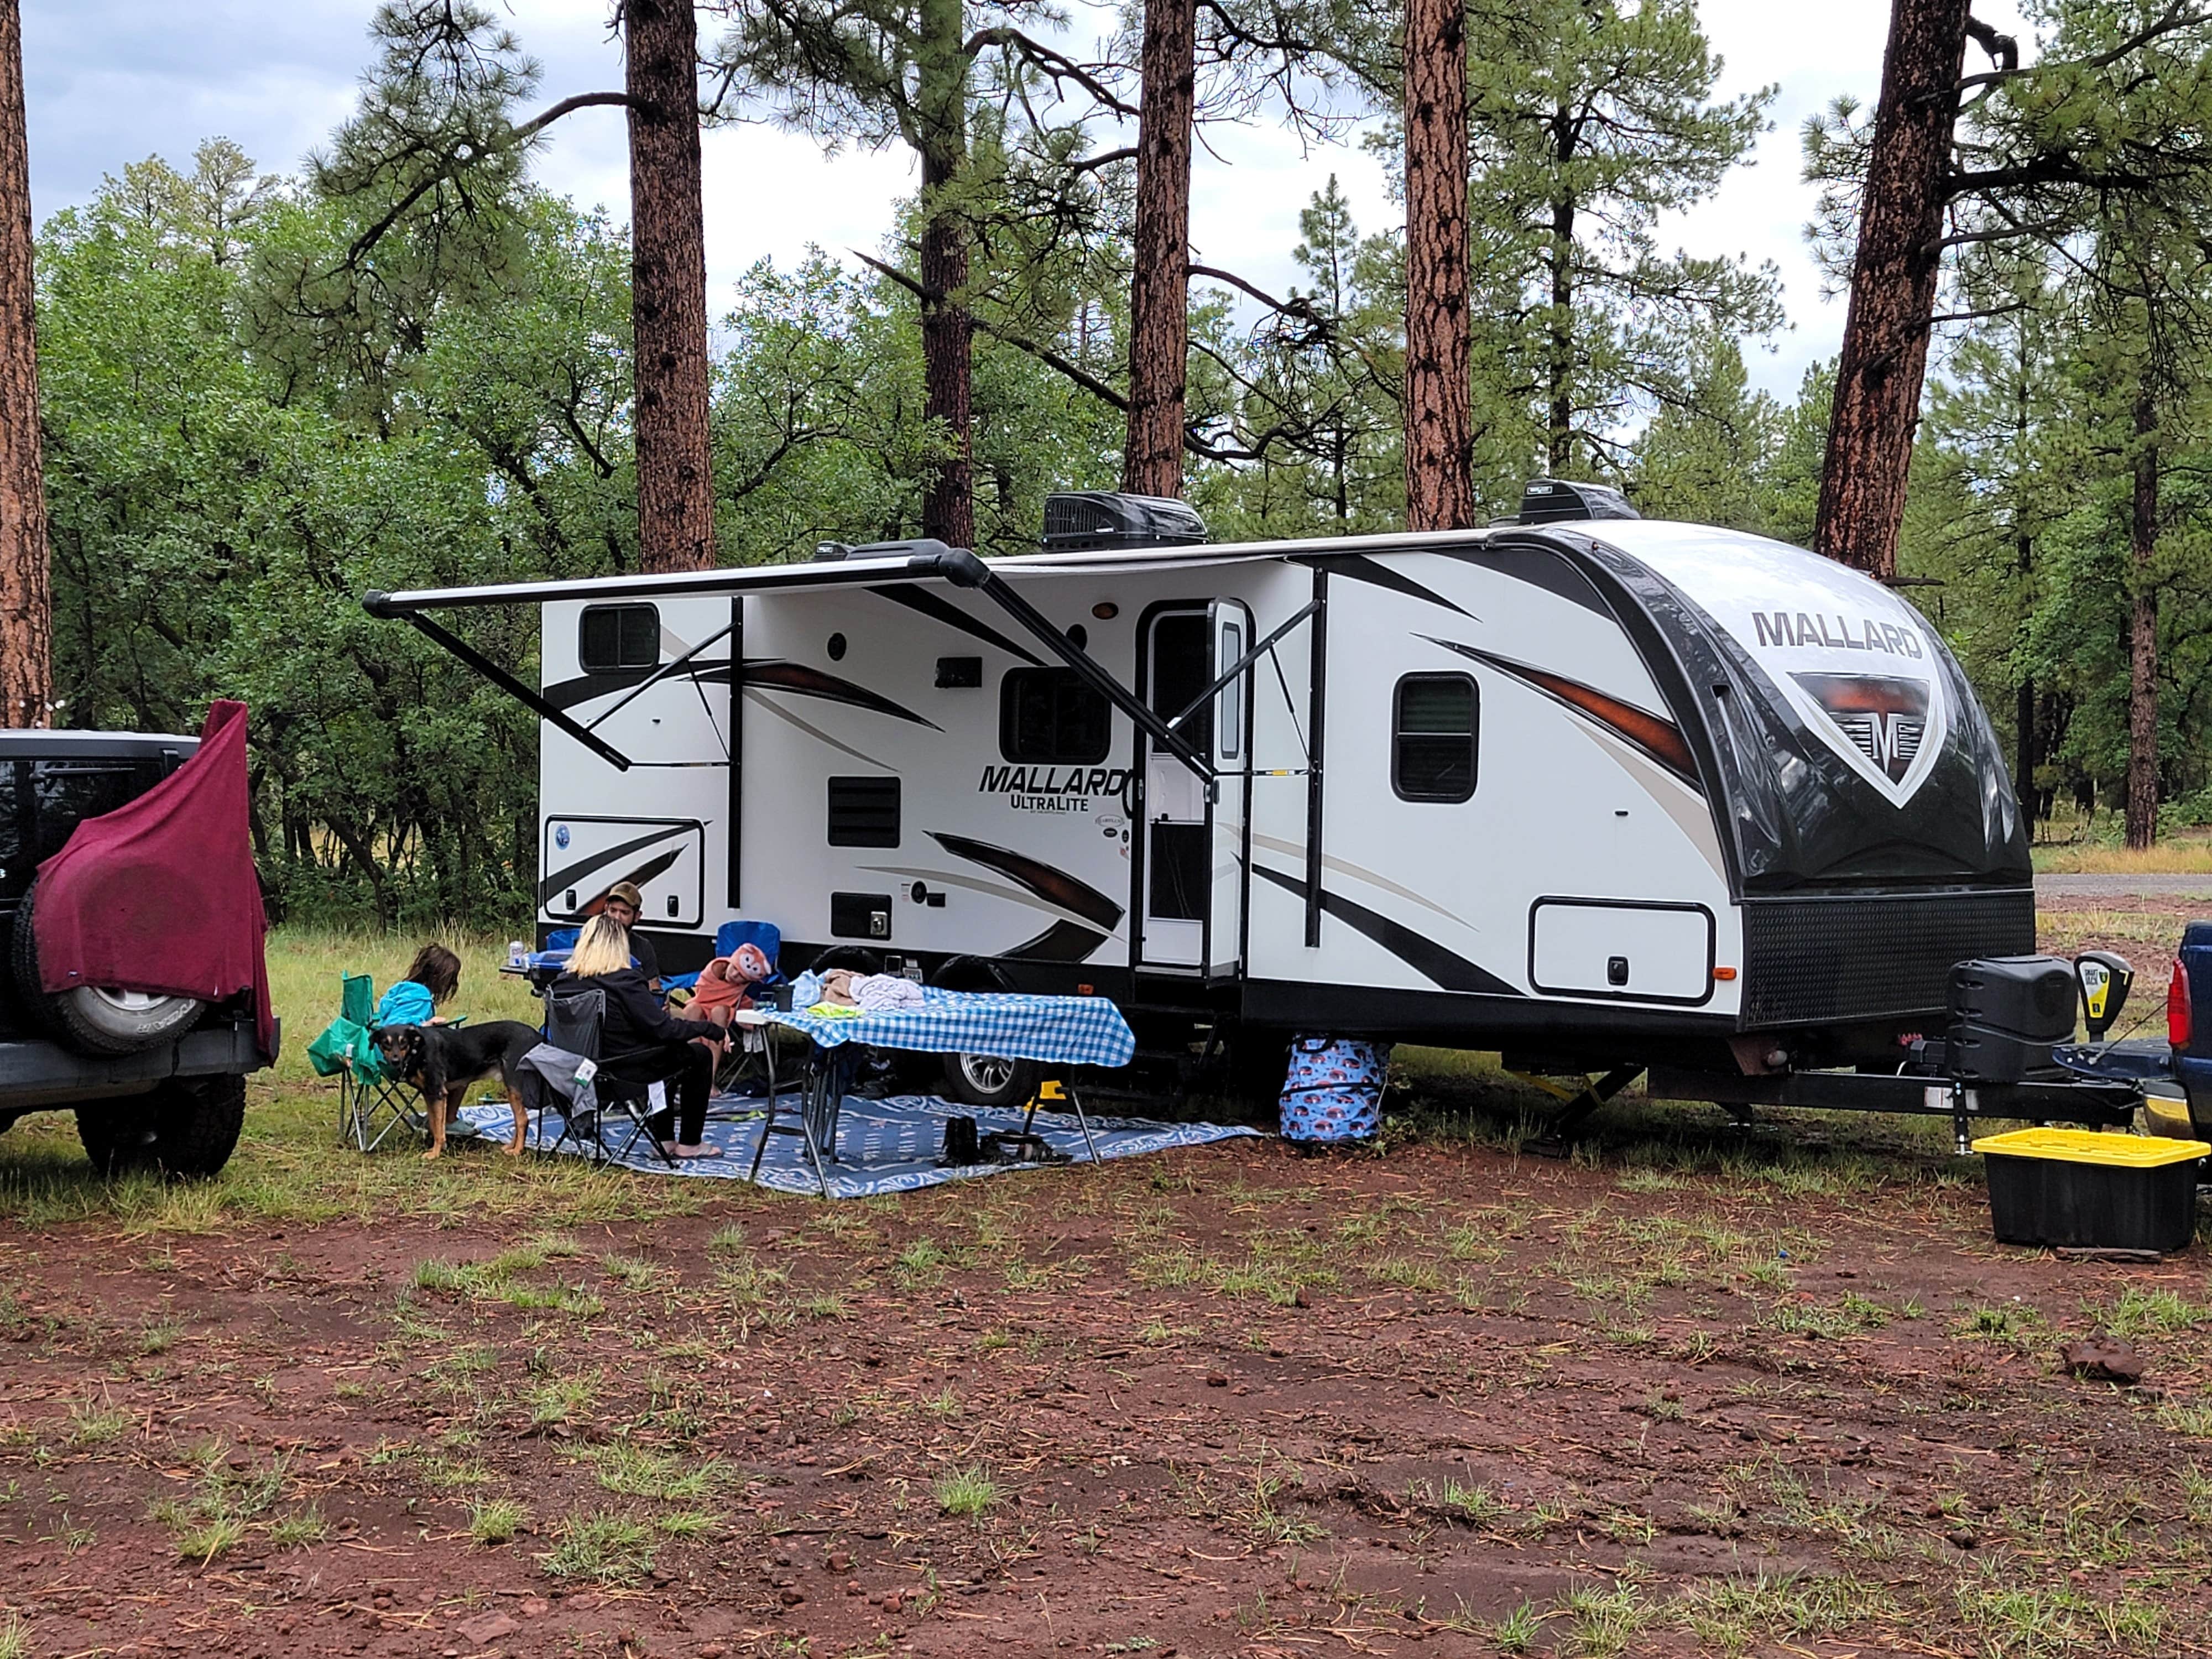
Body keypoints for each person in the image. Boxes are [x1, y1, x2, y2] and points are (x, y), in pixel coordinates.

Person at [560, 914, 726, 1159]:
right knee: (696, 1055)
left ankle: (665, 1141)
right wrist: (709, 1029)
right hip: (621, 1076)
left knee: (666, 1054)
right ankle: (688, 1143)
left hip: (577, 1075)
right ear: (619, 946)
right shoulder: (625, 981)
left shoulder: (563, 983)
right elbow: (663, 1029)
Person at [374, 942, 465, 1139]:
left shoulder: (401, 989)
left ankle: (440, 1118)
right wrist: (427, 1024)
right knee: (463, 1066)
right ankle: (448, 1121)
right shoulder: (421, 997)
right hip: (398, 1062)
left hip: (379, 1058)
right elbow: (396, 1027)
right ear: (439, 978)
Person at [377, 942, 462, 1029]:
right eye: (450, 978)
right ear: (437, 977)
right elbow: (393, 1027)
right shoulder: (419, 996)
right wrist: (427, 1025)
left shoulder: (405, 989)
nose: (452, 983)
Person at [599, 882, 660, 990]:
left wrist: (660, 997)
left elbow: (653, 984)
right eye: (613, 911)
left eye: (624, 912)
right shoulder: (591, 941)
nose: (617, 918)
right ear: (606, 909)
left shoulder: (643, 947)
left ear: (637, 916)